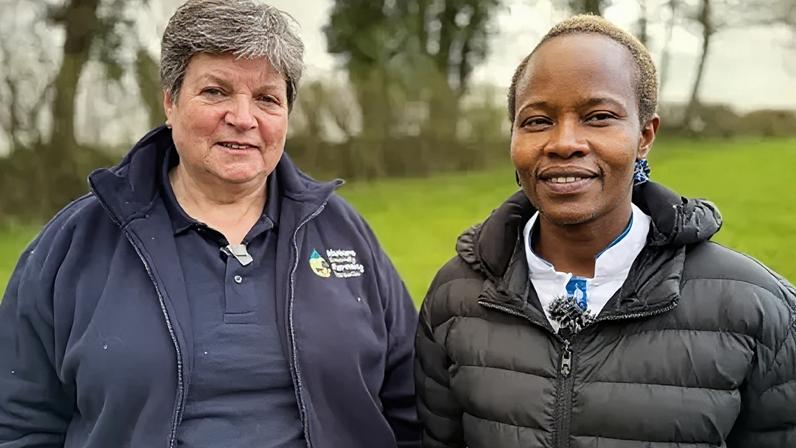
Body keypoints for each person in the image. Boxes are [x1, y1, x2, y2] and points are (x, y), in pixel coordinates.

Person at [0, 1, 421, 447]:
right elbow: (19, 420)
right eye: (216, 91)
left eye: (266, 98)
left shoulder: (343, 234)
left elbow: (412, 403)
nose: (243, 118)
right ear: (170, 101)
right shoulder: (77, 242)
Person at [415, 14, 795, 448]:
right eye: (537, 121)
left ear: (644, 135)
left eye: (598, 116)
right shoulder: (455, 297)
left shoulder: (758, 309)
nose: (564, 142)